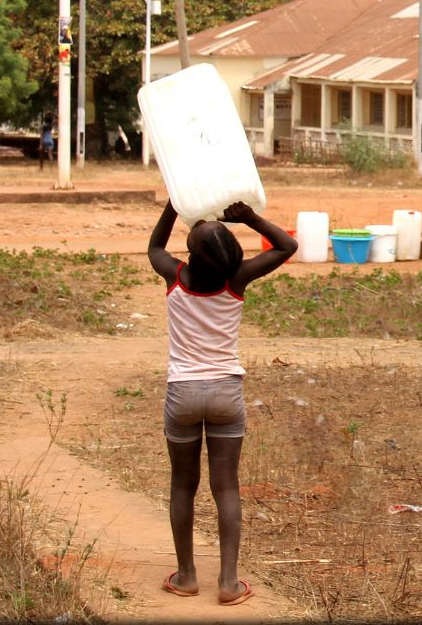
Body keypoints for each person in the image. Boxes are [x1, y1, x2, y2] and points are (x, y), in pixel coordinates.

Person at [148, 198, 297, 606]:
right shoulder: (237, 280)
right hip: (226, 393)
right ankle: (229, 583)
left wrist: (174, 204)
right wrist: (248, 217)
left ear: (193, 256)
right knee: (226, 488)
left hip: (183, 393)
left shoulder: (175, 277)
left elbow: (154, 248)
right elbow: (286, 246)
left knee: (183, 486)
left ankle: (187, 576)